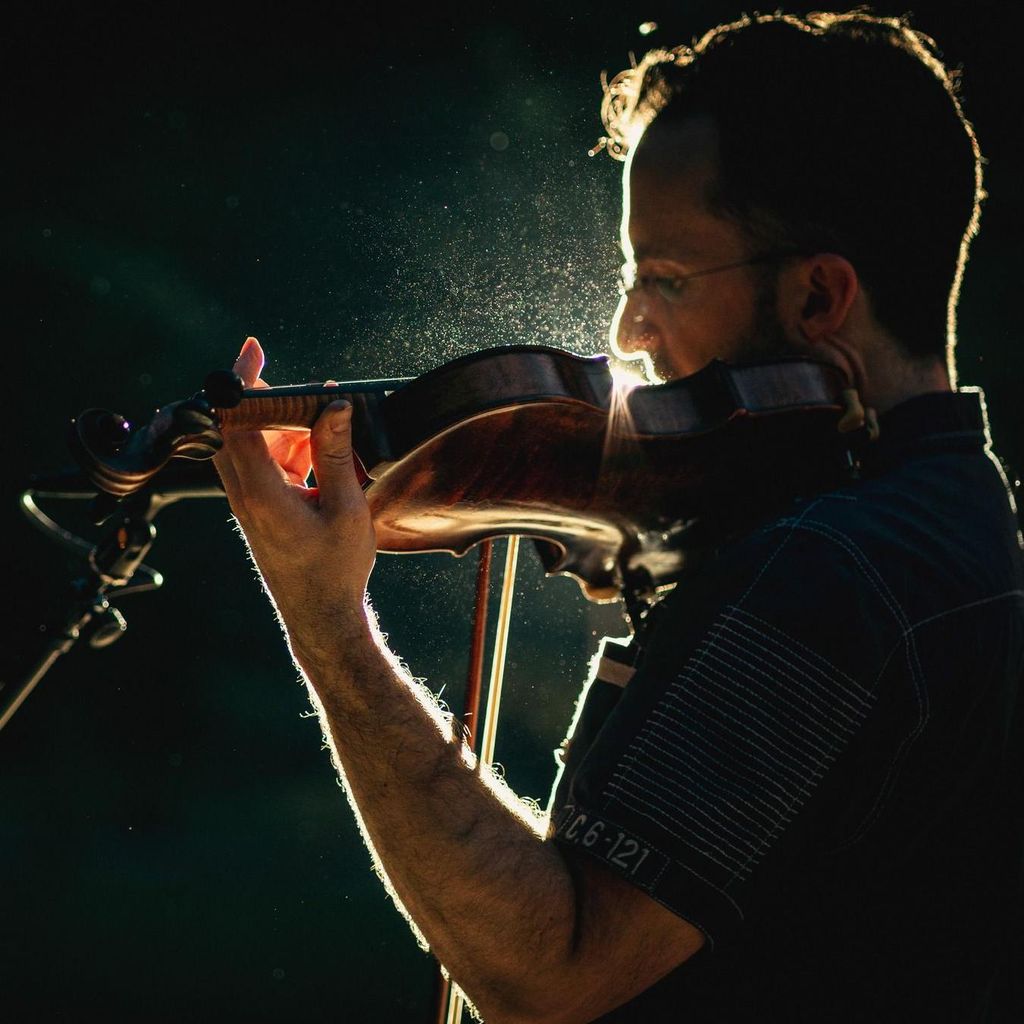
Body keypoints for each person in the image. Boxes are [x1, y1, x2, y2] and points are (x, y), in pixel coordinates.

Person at [213, 10, 1023, 1023]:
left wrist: (328, 626)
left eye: (667, 278)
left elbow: (553, 970)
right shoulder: (959, 512)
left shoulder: (830, 571)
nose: (626, 328)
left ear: (820, 296)